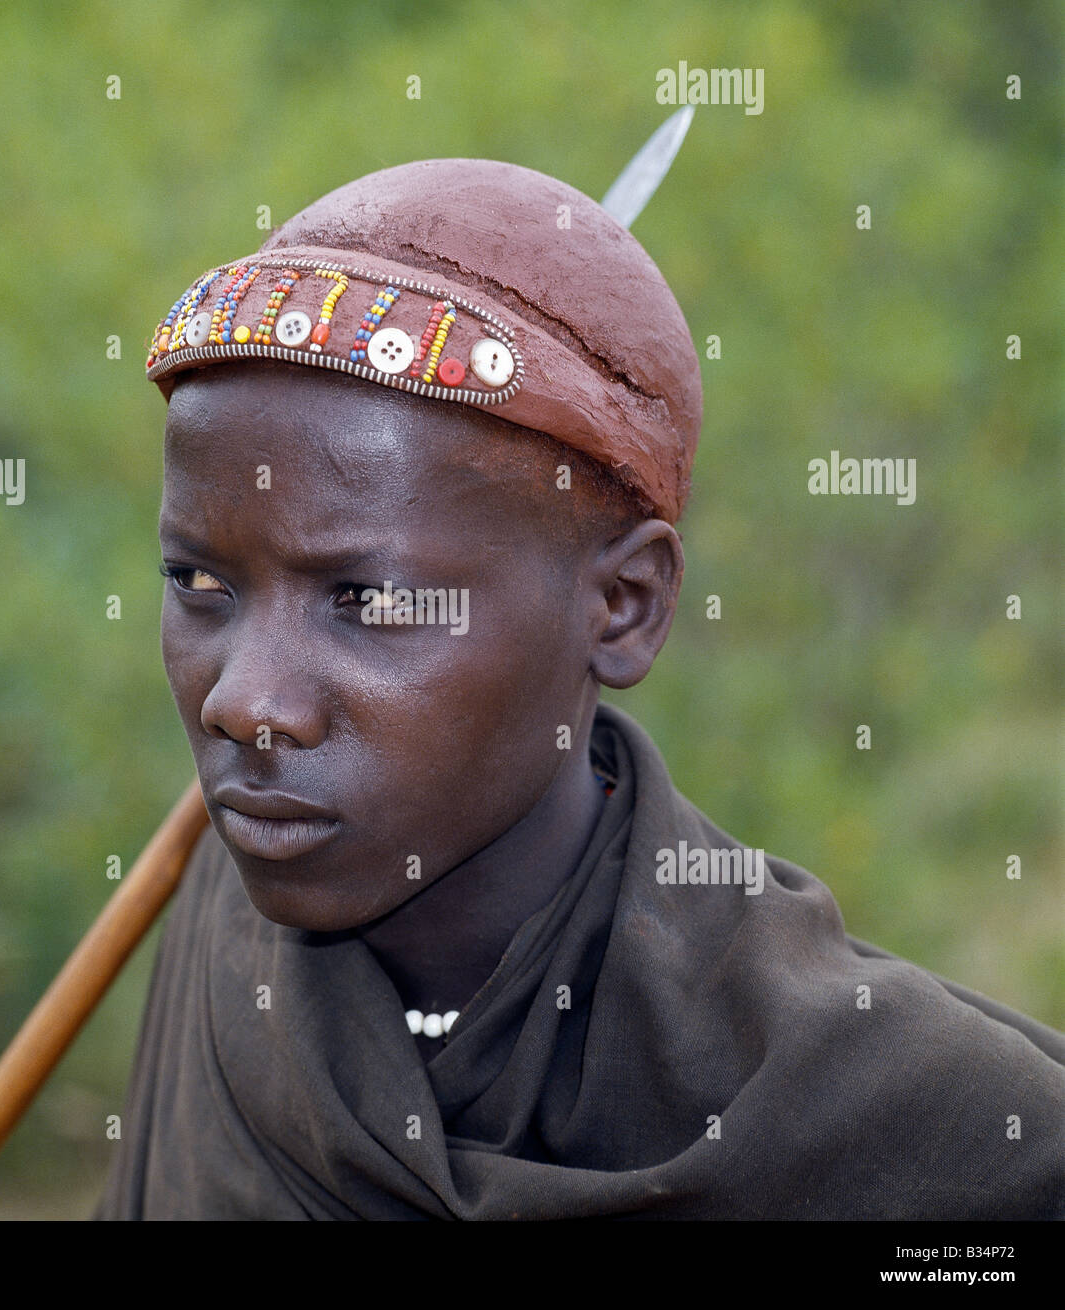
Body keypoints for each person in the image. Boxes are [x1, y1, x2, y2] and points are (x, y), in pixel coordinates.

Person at [95, 158, 1064, 1219]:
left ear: (623, 606)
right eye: (200, 581)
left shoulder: (916, 1122)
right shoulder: (224, 922)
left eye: (366, 599)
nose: (244, 700)